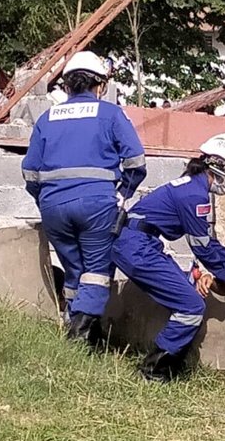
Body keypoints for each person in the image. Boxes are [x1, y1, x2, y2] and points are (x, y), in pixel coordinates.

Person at [22, 52, 146, 347]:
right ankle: (77, 338)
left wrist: (46, 200)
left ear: (66, 85)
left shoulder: (47, 118)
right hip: (96, 204)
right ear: (100, 85)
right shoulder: (110, 114)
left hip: (53, 206)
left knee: (75, 271)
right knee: (97, 272)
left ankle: (88, 333)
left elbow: (29, 172)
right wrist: (122, 194)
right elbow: (136, 162)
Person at [112, 133, 225, 381]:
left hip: (141, 243)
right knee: (191, 306)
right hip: (138, 247)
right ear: (218, 167)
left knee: (189, 289)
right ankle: (155, 369)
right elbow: (203, 246)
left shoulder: (191, 186)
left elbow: (204, 243)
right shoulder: (194, 195)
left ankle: (170, 362)